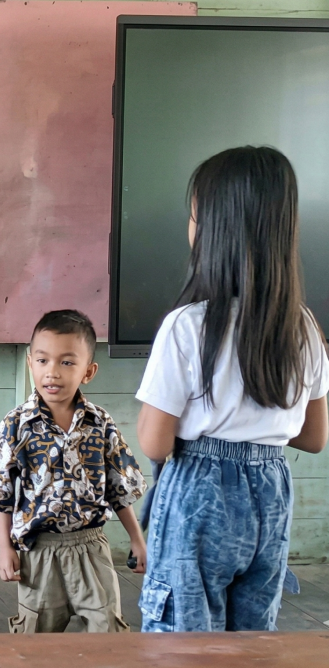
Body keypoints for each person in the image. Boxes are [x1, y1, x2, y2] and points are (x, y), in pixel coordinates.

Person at [136, 146, 329, 632]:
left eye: (194, 216)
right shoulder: (304, 327)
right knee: (251, 643)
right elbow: (313, 437)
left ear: (214, 230)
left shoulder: (186, 326)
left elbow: (154, 442)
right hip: (272, 493)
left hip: (198, 494)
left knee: (182, 639)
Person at [0, 310, 146, 633]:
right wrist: (4, 548)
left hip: (91, 548)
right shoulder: (15, 425)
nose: (52, 372)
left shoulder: (100, 424)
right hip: (39, 552)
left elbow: (119, 489)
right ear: (30, 363)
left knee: (108, 632)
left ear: (88, 371)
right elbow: (1, 494)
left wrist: (138, 540)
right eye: (43, 361)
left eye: (67, 362)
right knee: (36, 637)